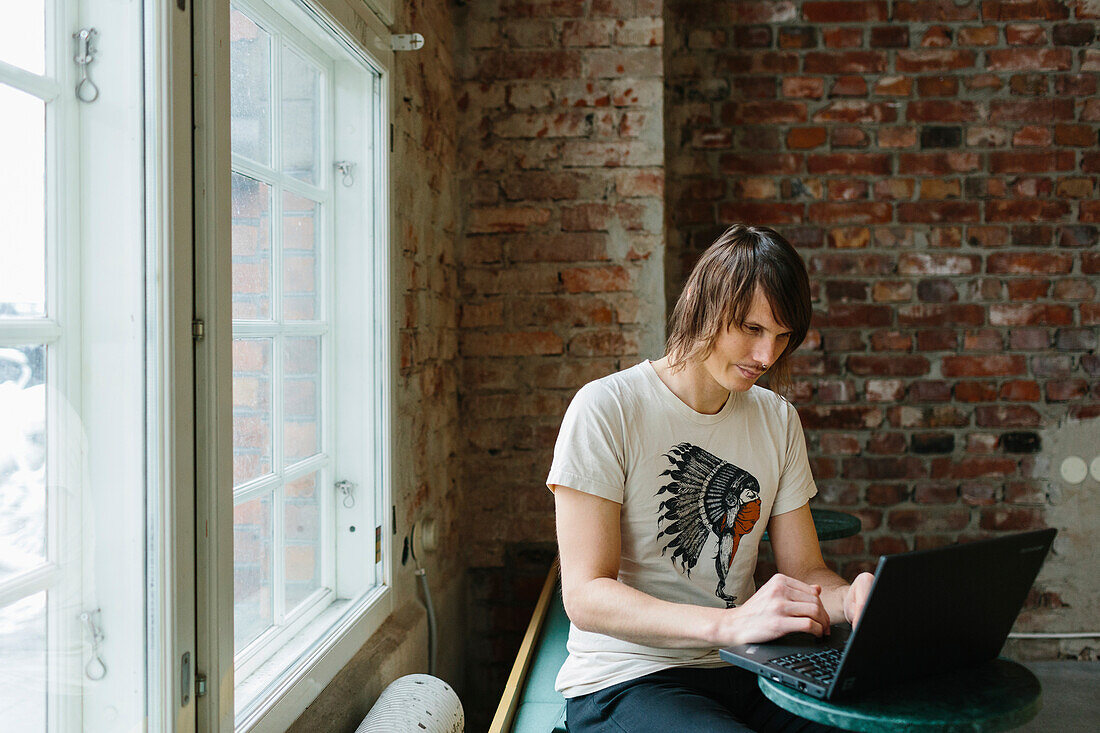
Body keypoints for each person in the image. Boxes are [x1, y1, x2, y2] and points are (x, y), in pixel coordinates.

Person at [547, 224, 875, 732]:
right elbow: (586, 594)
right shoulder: (606, 408)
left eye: (782, 336)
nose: (767, 357)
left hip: (744, 669)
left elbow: (807, 570)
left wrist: (851, 599)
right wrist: (728, 623)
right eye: (751, 329)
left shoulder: (777, 419)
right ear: (704, 306)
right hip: (627, 680)